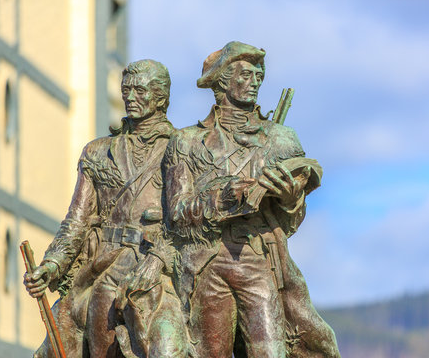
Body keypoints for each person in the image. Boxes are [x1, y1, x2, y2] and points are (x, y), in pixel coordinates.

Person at [163, 41, 341, 357]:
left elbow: (292, 222)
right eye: (245, 74)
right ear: (221, 81)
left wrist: (290, 197)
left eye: (258, 75)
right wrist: (221, 199)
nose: (255, 81)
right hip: (207, 263)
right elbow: (176, 216)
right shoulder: (185, 142)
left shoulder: (281, 139)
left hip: (259, 259)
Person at [24, 59, 188, 358]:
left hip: (155, 266)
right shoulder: (98, 151)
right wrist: (51, 265)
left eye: (140, 90)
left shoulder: (183, 147)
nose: (130, 97)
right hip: (101, 264)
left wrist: (161, 258)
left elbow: (190, 220)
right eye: (126, 90)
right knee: (58, 341)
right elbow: (77, 220)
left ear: (161, 97)